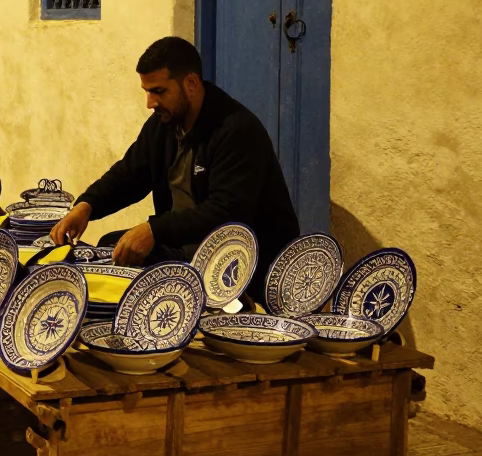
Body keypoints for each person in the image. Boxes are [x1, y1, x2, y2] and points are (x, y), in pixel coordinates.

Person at [51, 36, 299, 300]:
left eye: (158, 91)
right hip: (183, 250)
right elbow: (130, 173)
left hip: (238, 262)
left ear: (190, 83)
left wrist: (154, 230)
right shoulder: (163, 124)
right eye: (147, 91)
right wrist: (87, 206)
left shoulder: (237, 130)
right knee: (112, 249)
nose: (150, 102)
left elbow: (227, 212)